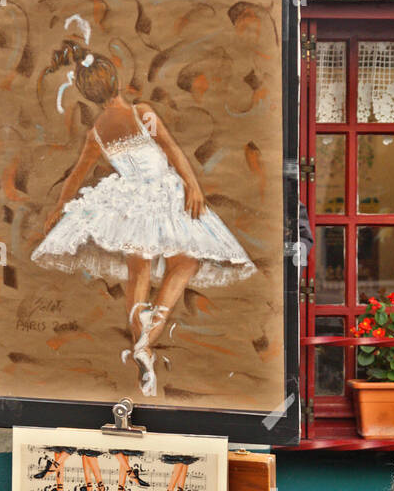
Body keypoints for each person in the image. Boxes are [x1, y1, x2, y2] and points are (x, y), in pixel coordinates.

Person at [30, 39, 256, 397]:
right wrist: (192, 185)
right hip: (162, 194)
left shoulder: (96, 133)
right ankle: (148, 337)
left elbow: (75, 177)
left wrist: (60, 206)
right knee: (184, 262)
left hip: (128, 201)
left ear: (87, 93)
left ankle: (143, 345)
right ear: (115, 81)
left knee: (140, 271)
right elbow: (171, 149)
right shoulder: (142, 112)